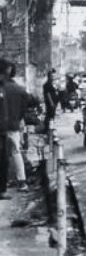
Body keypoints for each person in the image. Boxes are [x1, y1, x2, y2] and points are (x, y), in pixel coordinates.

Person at [0, 58, 36, 195]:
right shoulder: (18, 88)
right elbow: (33, 101)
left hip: (2, 127)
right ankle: (22, 182)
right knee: (16, 153)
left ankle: (4, 184)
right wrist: (21, 114)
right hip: (14, 125)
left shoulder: (4, 88)